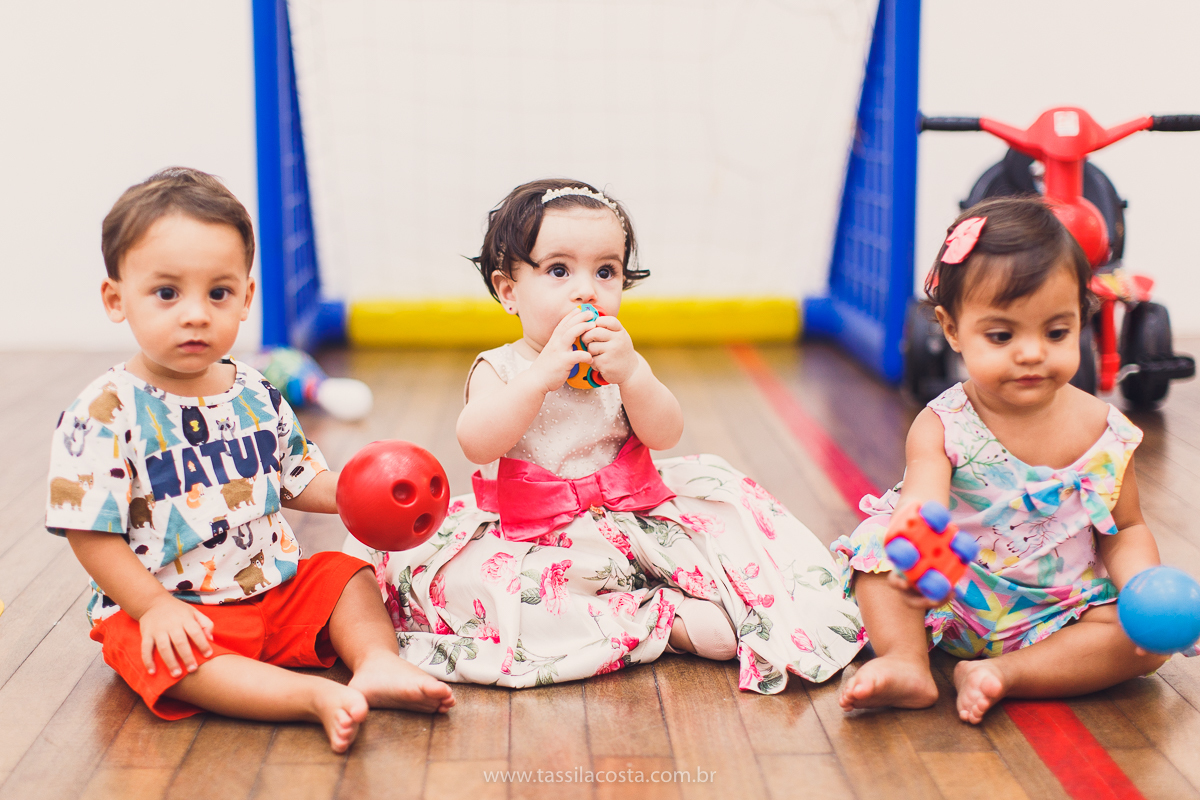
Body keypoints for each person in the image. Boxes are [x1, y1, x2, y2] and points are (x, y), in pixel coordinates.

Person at [344, 178, 866, 693]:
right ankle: (661, 620)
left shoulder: (618, 360)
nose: (585, 289)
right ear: (509, 291)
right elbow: (476, 443)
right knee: (504, 595)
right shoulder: (501, 368)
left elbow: (665, 432)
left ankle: (687, 593)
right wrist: (540, 378)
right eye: (558, 270)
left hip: (632, 517)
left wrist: (635, 376)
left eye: (605, 271)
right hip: (534, 532)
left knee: (737, 538)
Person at [46, 168, 453, 753]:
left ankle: (377, 664)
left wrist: (359, 493)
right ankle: (307, 698)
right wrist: (154, 607)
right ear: (117, 299)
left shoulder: (254, 391)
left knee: (345, 577)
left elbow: (296, 477)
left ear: (246, 298)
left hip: (273, 588)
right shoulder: (104, 412)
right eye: (167, 293)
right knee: (153, 650)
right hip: (173, 607)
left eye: (218, 293)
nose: (195, 314)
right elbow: (90, 533)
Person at [833, 196, 1182, 724]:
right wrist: (914, 546)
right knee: (874, 551)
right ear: (952, 330)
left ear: (1081, 323)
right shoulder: (944, 422)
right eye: (1002, 335)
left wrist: (1145, 592)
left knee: (1142, 645)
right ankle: (906, 661)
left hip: (1057, 609)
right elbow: (920, 500)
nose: (1031, 352)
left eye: (1056, 332)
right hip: (950, 596)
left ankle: (1005, 674)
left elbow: (1125, 529)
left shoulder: (1107, 435)